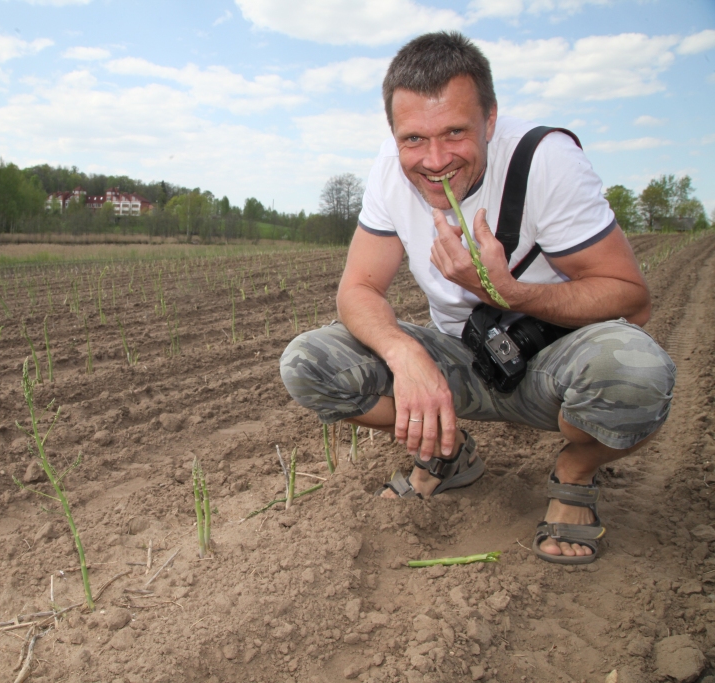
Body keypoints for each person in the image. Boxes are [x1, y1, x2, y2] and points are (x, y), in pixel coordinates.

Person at [280, 31, 676, 564]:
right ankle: (448, 451)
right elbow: (358, 288)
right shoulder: (390, 171)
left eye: (455, 133)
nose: (435, 159)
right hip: (461, 357)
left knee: (639, 377)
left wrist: (502, 289)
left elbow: (634, 300)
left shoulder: (545, 161)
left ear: (490, 121)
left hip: (555, 365)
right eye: (413, 139)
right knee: (308, 363)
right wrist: (407, 356)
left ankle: (574, 473)